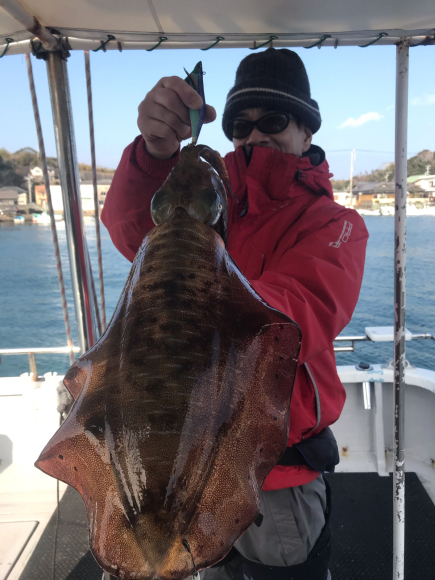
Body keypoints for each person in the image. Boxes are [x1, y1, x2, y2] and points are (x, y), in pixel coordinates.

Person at [101, 48, 368, 580]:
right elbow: (131, 230)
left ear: (307, 131)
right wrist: (156, 153)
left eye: (274, 120)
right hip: (184, 449)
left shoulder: (336, 223)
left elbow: (301, 313)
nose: (255, 135)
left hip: (281, 477)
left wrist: (192, 289)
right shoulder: (212, 206)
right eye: (240, 125)